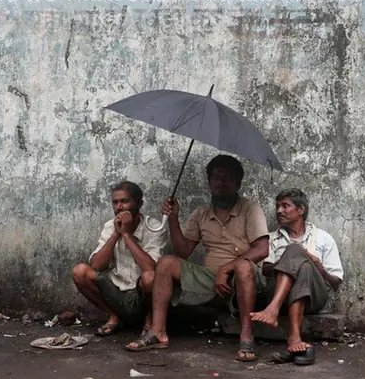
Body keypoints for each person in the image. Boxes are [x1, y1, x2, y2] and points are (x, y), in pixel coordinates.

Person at [125, 155, 270, 362]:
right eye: (216, 177)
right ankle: (158, 331)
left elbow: (262, 249)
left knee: (244, 268)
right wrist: (173, 219)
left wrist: (227, 268)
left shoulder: (250, 208)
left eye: (227, 178)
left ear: (237, 183)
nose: (221, 182)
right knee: (166, 263)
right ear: (209, 182)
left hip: (243, 280)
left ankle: (246, 335)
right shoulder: (201, 213)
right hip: (210, 281)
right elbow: (183, 251)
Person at [250, 188, 344, 365]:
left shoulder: (323, 239)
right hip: (277, 293)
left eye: (285, 206)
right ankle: (294, 338)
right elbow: (265, 270)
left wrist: (318, 266)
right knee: (298, 259)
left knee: (302, 261)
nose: (279, 211)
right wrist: (292, 261)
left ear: (301, 210)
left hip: (314, 297)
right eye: (277, 206)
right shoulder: (270, 239)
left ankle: (272, 310)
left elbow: (335, 283)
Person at [72, 181, 167, 336]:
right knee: (80, 271)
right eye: (115, 202)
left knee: (150, 277)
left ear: (139, 203)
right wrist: (116, 234)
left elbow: (150, 268)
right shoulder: (110, 226)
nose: (119, 207)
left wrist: (127, 235)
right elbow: (96, 265)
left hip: (141, 295)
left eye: (124, 201)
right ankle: (114, 317)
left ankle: (150, 321)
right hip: (116, 291)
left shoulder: (154, 227)